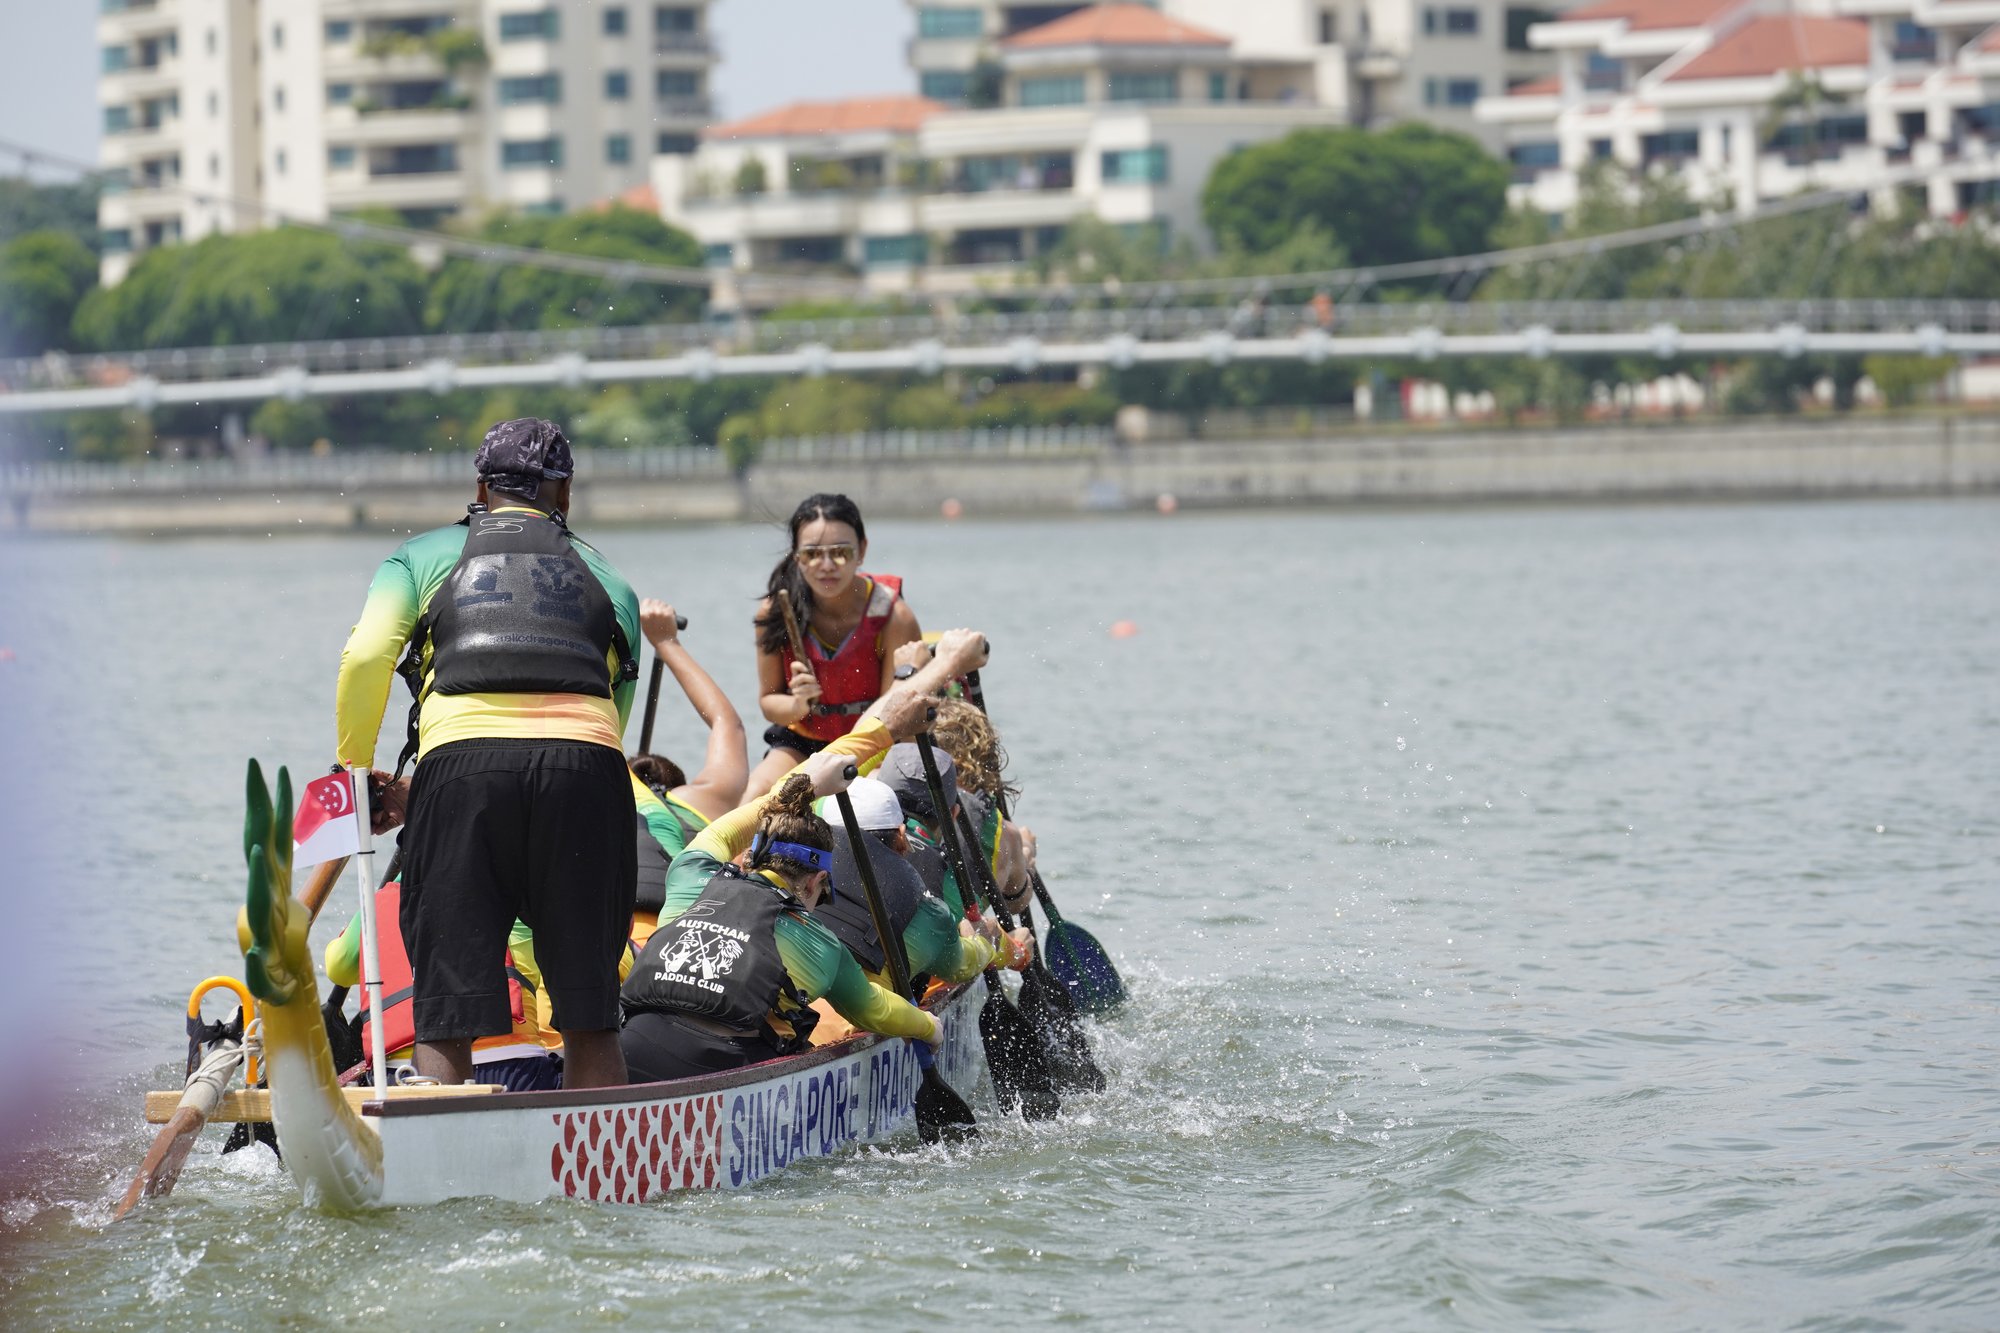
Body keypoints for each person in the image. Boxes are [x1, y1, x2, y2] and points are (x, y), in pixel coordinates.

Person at [334, 418, 640, 1090]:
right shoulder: (610, 577)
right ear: (564, 495)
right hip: (585, 769)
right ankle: (606, 1182)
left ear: (479, 486)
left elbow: (365, 657)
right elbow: (616, 700)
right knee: (591, 1012)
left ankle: (442, 1167)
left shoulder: (419, 557)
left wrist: (355, 767)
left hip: (461, 772)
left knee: (444, 1011)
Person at [619, 627, 992, 1083]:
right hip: (720, 1074)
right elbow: (877, 1010)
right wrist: (930, 1027)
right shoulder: (822, 945)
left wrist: (810, 781)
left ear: (751, 857)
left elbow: (752, 814)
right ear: (816, 882)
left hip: (629, 1052)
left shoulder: (690, 872)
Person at [806, 776, 1031, 1047]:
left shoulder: (789, 875)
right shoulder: (928, 912)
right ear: (901, 837)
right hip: (847, 1025)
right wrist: (1002, 946)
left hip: (776, 1022)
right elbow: (961, 965)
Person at [742, 494, 921, 801]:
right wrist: (798, 705)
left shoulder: (894, 616)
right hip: (803, 744)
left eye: (840, 553)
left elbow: (900, 717)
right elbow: (769, 702)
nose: (826, 566)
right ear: (797, 556)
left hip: (875, 744)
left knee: (873, 796)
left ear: (861, 551)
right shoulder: (775, 614)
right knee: (759, 792)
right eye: (812, 554)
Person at [323, 885, 562, 1092]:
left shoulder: (385, 898)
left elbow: (338, 968)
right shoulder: (518, 889)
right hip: (516, 1069)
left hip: (400, 1077)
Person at [627, 597, 747, 943]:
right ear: (674, 785)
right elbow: (728, 725)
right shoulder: (699, 800)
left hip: (608, 932)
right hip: (678, 938)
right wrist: (666, 642)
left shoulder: (596, 786)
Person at [928, 696, 1037, 915]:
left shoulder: (895, 798)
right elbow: (1014, 902)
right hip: (956, 939)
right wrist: (1026, 854)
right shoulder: (1007, 835)